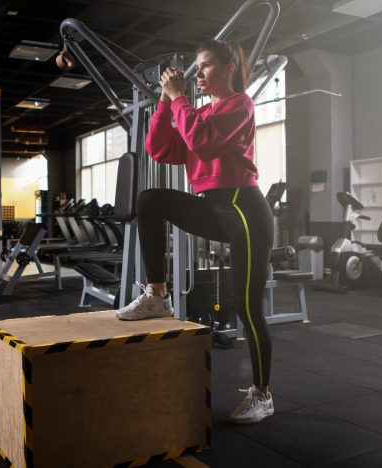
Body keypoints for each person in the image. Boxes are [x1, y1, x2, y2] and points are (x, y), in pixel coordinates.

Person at [115, 39, 274, 425]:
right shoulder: (197, 113)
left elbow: (202, 143)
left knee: (246, 308)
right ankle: (157, 295)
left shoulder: (239, 105)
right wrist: (168, 103)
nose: (198, 74)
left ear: (229, 67)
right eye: (196, 68)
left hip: (245, 211)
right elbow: (157, 149)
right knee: (150, 199)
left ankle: (262, 394)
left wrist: (179, 100)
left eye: (204, 66)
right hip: (214, 208)